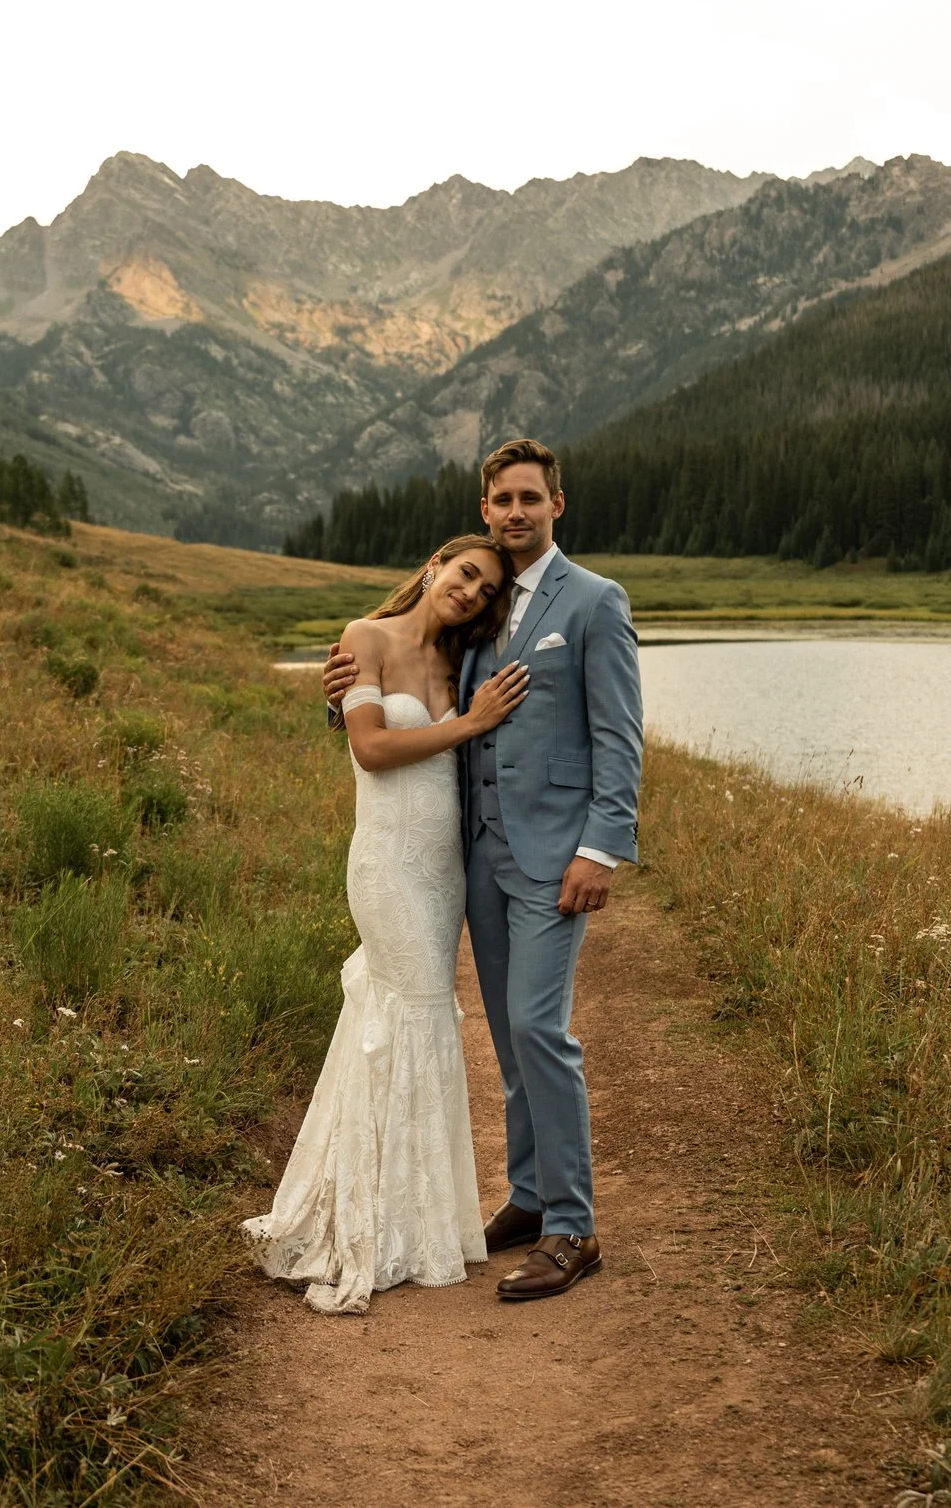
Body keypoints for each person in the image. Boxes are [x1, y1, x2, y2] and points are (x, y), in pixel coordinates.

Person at [321, 439, 644, 1302]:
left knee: (542, 1030)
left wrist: (601, 848)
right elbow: (407, 698)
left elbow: (619, 737)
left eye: (530, 498)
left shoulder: (596, 602)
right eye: (502, 499)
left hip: (554, 858)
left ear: (557, 505)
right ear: (484, 509)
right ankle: (531, 1197)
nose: (515, 512)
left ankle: (573, 1225)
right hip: (476, 857)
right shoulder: (482, 614)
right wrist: (340, 700)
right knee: (507, 1038)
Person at [244, 534, 528, 1314]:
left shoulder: (462, 663)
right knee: (409, 1014)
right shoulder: (363, 638)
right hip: (387, 865)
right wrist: (467, 725)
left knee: (420, 1022)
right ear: (436, 565)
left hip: (444, 875)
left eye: (487, 589)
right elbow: (370, 748)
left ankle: (414, 1214)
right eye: (466, 573)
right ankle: (368, 1220)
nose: (471, 591)